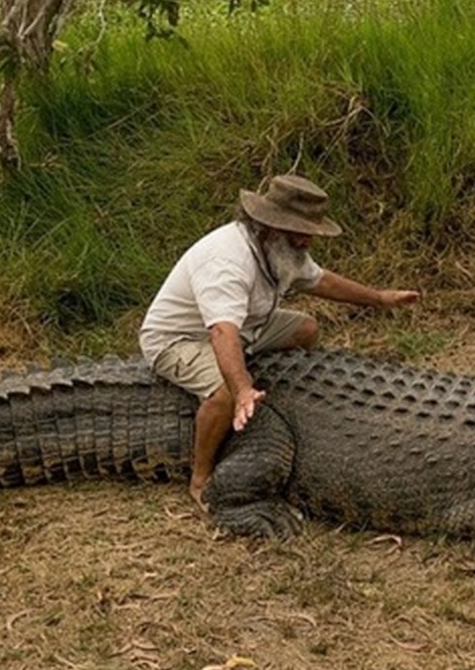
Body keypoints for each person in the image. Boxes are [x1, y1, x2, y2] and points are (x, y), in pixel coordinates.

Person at [139, 174, 420, 508]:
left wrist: (379, 298)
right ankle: (201, 480)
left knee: (306, 329)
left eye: (310, 232)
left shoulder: (280, 248)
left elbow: (323, 282)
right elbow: (221, 332)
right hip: (180, 338)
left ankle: (259, 384)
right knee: (225, 393)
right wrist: (242, 387)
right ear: (270, 226)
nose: (308, 241)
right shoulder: (226, 261)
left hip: (245, 328)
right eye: (301, 232)